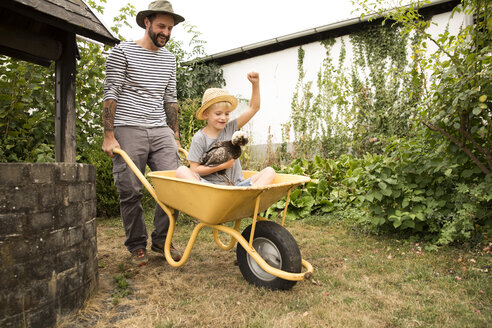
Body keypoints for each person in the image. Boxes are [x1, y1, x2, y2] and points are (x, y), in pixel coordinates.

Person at [101, 0, 184, 266]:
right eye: (161, 26)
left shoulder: (170, 60)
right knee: (130, 190)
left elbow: (170, 99)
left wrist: (175, 134)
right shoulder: (122, 52)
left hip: (160, 129)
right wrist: (108, 135)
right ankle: (137, 244)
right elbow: (111, 93)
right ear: (146, 22)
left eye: (170, 28)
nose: (166, 32)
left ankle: (163, 239)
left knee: (176, 184)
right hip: (128, 127)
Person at [175, 72, 276, 187]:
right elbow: (194, 169)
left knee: (270, 171)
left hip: (237, 186)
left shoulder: (231, 128)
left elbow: (254, 107)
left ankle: (249, 197)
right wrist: (222, 166)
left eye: (227, 114)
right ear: (206, 114)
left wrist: (255, 84)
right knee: (181, 171)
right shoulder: (200, 138)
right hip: (211, 187)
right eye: (218, 114)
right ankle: (236, 198)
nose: (223, 118)